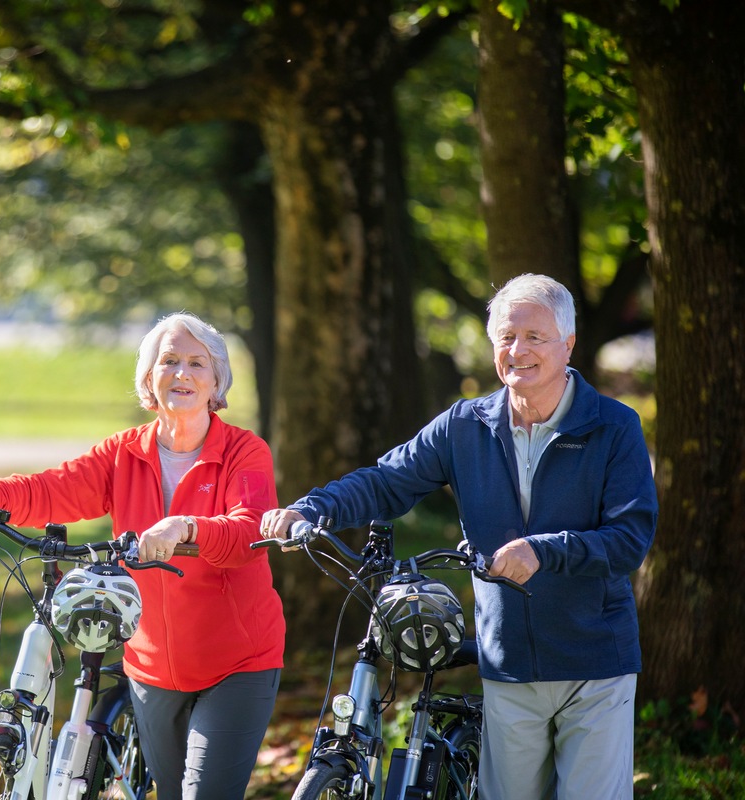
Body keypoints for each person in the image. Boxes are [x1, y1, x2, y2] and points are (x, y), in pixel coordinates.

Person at [260, 274, 657, 800]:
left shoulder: (614, 426)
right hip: (506, 661)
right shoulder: (465, 425)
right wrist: (313, 508)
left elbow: (629, 538)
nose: (518, 351)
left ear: (568, 343)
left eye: (535, 337)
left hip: (595, 664)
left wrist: (544, 551)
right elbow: (386, 481)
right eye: (505, 338)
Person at [0, 311, 285, 800]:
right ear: (148, 378)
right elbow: (54, 488)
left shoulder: (244, 453)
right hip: (153, 666)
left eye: (196, 364)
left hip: (236, 663)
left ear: (216, 381)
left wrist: (186, 526)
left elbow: (250, 531)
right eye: (168, 361)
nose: (181, 374)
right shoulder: (124, 453)